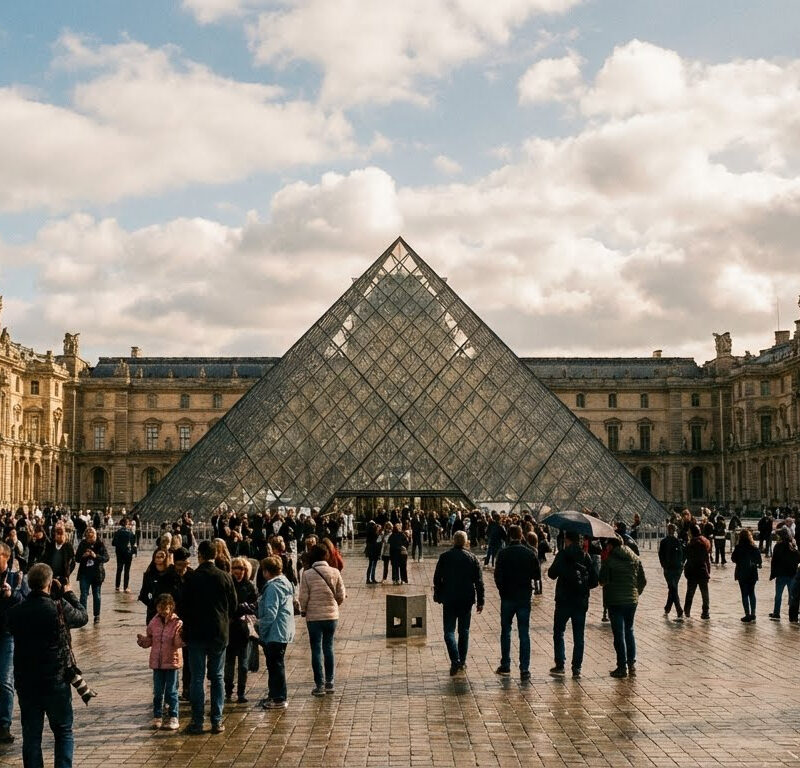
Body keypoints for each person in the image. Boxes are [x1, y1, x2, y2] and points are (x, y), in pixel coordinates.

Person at [7, 563, 88, 768]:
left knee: (32, 735)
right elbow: (83, 617)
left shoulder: (17, 611)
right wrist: (68, 593)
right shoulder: (58, 607)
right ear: (50, 584)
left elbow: (6, 623)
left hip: (27, 682)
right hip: (56, 680)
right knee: (63, 731)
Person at [180, 539, 238, 735]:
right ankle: (217, 721)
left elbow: (182, 606)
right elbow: (234, 605)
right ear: (215, 556)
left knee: (197, 678)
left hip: (196, 634)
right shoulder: (224, 577)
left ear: (200, 555)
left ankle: (197, 721)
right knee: (217, 677)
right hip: (218, 633)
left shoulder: (191, 578)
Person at [546, 529, 597, 678]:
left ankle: (560, 664)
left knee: (558, 632)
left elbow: (551, 574)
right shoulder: (585, 556)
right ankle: (577, 668)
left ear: (567, 539)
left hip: (563, 600)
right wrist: (584, 585)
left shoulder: (562, 555)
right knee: (579, 636)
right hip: (580, 601)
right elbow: (594, 580)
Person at [432, 531, 484, 676]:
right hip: (466, 598)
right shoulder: (472, 558)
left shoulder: (445, 557)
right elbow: (479, 582)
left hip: (449, 598)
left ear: (453, 541)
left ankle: (455, 659)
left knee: (448, 631)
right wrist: (481, 601)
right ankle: (462, 661)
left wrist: (439, 593)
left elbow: (437, 578)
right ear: (466, 542)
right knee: (464, 631)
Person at [298, 544, 346, 696]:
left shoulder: (307, 574)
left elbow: (303, 596)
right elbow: (341, 594)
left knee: (316, 649)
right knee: (329, 647)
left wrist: (303, 610)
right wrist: (335, 605)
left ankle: (319, 685)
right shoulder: (335, 572)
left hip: (314, 617)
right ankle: (330, 682)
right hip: (331, 616)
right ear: (326, 556)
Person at [493, 525, 539, 681]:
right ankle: (524, 669)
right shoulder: (529, 553)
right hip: (524, 596)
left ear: (509, 535)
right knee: (524, 633)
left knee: (506, 631)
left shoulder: (503, 553)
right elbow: (537, 575)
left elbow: (497, 575)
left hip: (507, 597)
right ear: (521, 536)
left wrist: (502, 590)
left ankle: (505, 665)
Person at [599, 536, 646, 678]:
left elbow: (602, 580)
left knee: (619, 634)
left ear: (612, 546)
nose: (606, 547)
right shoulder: (635, 558)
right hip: (631, 601)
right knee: (629, 630)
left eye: (607, 545)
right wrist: (635, 593)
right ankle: (631, 664)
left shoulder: (609, 561)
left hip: (615, 601)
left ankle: (621, 667)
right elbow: (642, 581)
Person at [136, 593, 183, 731]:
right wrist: (143, 641)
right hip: (157, 663)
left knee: (171, 691)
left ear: (171, 607)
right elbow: (151, 639)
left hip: (171, 662)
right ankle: (157, 717)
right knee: (157, 692)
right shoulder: (154, 622)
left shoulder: (177, 622)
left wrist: (184, 638)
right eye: (160, 607)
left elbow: (178, 642)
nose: (162, 610)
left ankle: (174, 717)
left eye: (165, 607)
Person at [257, 556, 296, 709]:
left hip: (275, 631)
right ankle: (274, 693)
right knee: (274, 664)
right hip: (283, 629)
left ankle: (279, 697)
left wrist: (260, 627)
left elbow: (270, 613)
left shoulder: (273, 587)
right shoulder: (285, 583)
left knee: (275, 665)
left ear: (266, 572)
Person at [0, 542, 28, 744]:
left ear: (6, 557)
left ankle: (3, 725)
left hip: (7, 634)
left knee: (4, 680)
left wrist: (12, 595)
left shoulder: (16, 578)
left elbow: (26, 602)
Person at [225, 557, 258, 704]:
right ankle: (228, 690)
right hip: (230, 628)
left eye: (241, 568)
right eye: (235, 568)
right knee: (229, 663)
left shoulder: (249, 586)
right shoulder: (228, 584)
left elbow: (253, 607)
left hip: (244, 630)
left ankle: (241, 692)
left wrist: (242, 609)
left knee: (243, 664)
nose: (238, 571)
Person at [75, 527, 109, 625]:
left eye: (92, 536)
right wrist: (83, 555)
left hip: (97, 573)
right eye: (88, 537)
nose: (90, 539)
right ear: (86, 537)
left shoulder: (100, 543)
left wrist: (95, 556)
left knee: (97, 595)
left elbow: (106, 558)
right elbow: (76, 558)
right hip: (84, 573)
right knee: (83, 595)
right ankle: (83, 615)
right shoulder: (83, 544)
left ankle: (96, 615)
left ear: (95, 535)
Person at [138, 549, 178, 624]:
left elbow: (176, 592)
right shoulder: (149, 574)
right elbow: (143, 593)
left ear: (166, 558)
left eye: (162, 556)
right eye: (157, 556)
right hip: (153, 612)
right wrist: (152, 604)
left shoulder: (172, 573)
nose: (159, 558)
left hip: (169, 611)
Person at [768, 528, 799, 620]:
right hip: (792, 574)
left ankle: (776, 612)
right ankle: (793, 613)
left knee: (778, 595)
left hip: (781, 574)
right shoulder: (792, 545)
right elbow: (798, 557)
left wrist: (772, 574)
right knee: (792, 595)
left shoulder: (778, 546)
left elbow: (774, 561)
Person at [731, 528, 762, 622]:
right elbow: (759, 561)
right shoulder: (754, 547)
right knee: (752, 593)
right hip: (752, 572)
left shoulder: (738, 547)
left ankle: (747, 614)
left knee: (744, 594)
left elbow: (733, 559)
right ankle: (753, 613)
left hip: (742, 572)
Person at [683, 523, 712, 620]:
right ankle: (705, 612)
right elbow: (707, 560)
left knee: (690, 593)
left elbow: (687, 558)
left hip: (692, 572)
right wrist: (708, 571)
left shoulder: (691, 544)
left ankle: (687, 611)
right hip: (703, 571)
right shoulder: (705, 543)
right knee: (705, 594)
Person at [658, 524, 685, 620]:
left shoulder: (664, 541)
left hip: (670, 568)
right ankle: (673, 608)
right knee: (673, 588)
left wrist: (664, 565)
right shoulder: (678, 541)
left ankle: (675, 609)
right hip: (676, 568)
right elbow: (683, 553)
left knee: (672, 588)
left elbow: (660, 555)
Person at [111, 518, 136, 592]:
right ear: (127, 524)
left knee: (119, 569)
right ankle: (126, 587)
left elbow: (113, 543)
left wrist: (120, 545)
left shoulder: (117, 532)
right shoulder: (130, 533)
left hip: (119, 553)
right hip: (128, 553)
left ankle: (117, 586)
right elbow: (133, 544)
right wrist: (134, 553)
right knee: (127, 570)